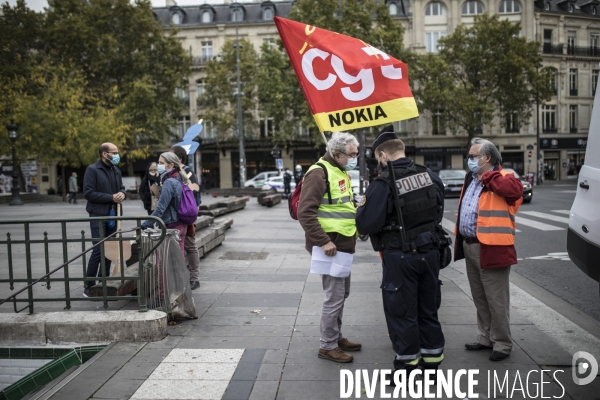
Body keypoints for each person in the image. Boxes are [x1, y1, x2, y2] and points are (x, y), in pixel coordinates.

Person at [356, 125, 446, 379]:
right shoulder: (429, 175)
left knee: (402, 313)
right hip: (430, 253)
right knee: (428, 310)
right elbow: (438, 210)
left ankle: (407, 369)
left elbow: (365, 225)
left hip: (400, 256)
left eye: (377, 158)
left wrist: (361, 209)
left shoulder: (383, 183)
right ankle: (432, 363)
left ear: (383, 155)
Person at [454, 138, 523, 362]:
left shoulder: (505, 178)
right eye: (470, 156)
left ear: (488, 158)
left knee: (497, 300)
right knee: (480, 297)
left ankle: (502, 343)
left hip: (492, 247)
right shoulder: (470, 179)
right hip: (470, 244)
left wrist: (488, 175)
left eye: (474, 156)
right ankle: (485, 337)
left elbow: (513, 192)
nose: (470, 160)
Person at [298, 131, 361, 363]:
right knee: (334, 297)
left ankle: (336, 337)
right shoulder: (319, 172)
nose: (355, 158)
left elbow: (341, 206)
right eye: (352, 154)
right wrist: (324, 241)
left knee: (342, 294)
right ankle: (327, 345)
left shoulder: (339, 170)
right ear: (338, 154)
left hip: (342, 244)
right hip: (330, 246)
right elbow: (305, 212)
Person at [82, 143, 126, 297]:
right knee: (99, 249)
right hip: (98, 215)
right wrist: (111, 197)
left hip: (113, 215)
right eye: (114, 153)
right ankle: (89, 285)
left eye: (117, 152)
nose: (117, 155)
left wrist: (122, 194)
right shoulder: (92, 170)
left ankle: (104, 282)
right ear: (104, 154)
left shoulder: (116, 170)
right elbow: (88, 193)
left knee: (110, 250)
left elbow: (121, 188)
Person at [141, 152, 188, 255]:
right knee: (177, 260)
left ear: (171, 165)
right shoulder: (178, 178)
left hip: (171, 226)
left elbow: (161, 208)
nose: (159, 165)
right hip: (180, 224)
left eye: (161, 163)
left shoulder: (169, 182)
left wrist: (145, 224)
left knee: (165, 263)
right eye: (158, 162)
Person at [170, 146, 201, 290]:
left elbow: (194, 193)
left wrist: (192, 213)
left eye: (171, 156)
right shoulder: (171, 173)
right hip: (175, 215)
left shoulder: (186, 172)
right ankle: (180, 278)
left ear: (179, 158)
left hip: (186, 214)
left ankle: (194, 278)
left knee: (189, 245)